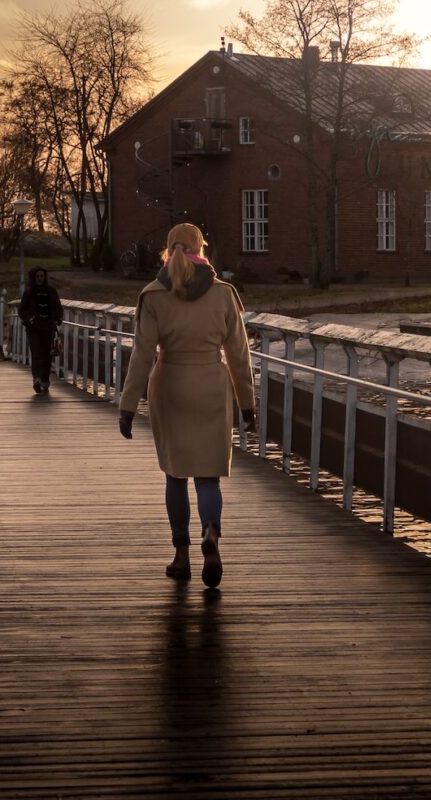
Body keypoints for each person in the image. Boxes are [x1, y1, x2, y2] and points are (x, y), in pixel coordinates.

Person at [118, 223, 256, 588]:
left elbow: (143, 355)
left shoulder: (153, 294)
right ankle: (210, 532)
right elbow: (239, 355)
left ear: (168, 249)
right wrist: (247, 404)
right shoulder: (225, 293)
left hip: (171, 385)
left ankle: (181, 556)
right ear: (200, 248)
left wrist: (128, 405)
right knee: (208, 476)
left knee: (176, 475)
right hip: (211, 384)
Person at [19, 266, 63, 394]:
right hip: (34, 328)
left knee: (46, 355)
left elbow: (58, 308)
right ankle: (36, 379)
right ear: (34, 278)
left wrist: (57, 318)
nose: (40, 279)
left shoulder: (51, 291)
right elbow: (22, 309)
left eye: (42, 276)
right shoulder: (29, 292)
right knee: (36, 353)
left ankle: (45, 380)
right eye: (37, 276)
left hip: (48, 327)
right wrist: (29, 318)